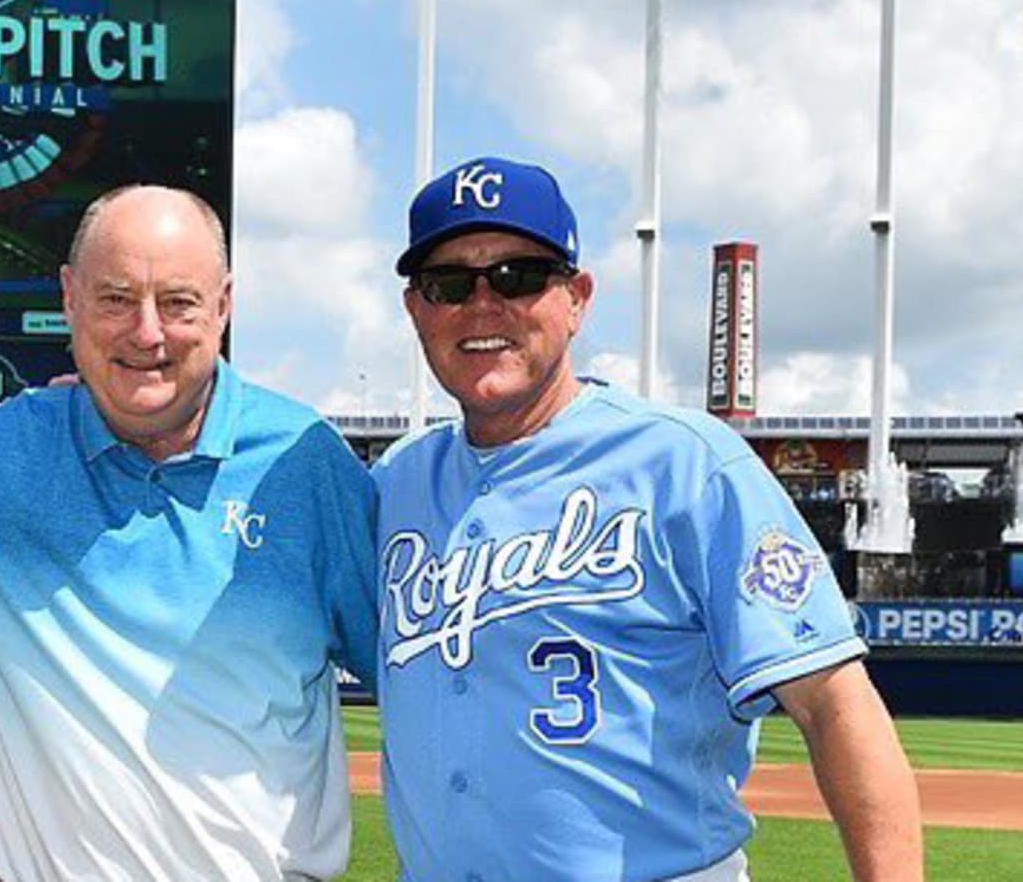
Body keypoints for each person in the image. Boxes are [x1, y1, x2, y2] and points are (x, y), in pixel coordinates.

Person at [376, 155, 923, 882]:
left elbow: (834, 702)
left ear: (576, 297)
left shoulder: (688, 463)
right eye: (450, 283)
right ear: (417, 309)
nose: (483, 303)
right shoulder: (395, 486)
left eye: (520, 275)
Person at [0, 184, 381, 882]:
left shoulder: (308, 463)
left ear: (224, 304)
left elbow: (423, 682)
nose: (147, 333)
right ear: (69, 298)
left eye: (177, 301)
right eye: (116, 298)